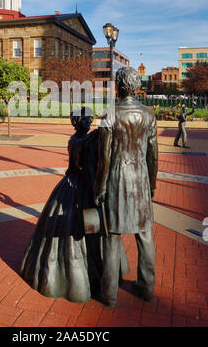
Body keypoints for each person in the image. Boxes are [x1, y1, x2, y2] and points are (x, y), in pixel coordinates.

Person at [20, 106, 128, 303]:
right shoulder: (80, 140)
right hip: (78, 183)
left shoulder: (81, 139)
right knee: (79, 224)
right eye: (84, 120)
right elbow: (89, 145)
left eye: (89, 119)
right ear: (77, 123)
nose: (88, 122)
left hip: (78, 182)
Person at [94, 67, 158, 307]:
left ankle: (109, 294)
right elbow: (153, 155)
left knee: (112, 237)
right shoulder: (149, 114)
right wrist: (151, 184)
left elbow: (105, 157)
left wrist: (99, 188)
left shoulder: (110, 113)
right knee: (145, 235)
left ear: (118, 87)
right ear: (137, 87)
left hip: (117, 179)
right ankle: (146, 287)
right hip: (140, 178)